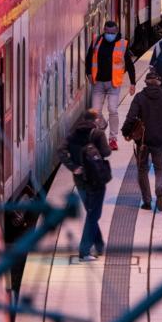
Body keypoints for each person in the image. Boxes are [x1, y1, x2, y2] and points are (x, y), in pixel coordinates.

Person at [121, 70, 162, 212]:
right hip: (161, 139)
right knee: (160, 168)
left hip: (143, 141)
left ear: (146, 83)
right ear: (159, 83)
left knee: (142, 169)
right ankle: (159, 189)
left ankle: (147, 201)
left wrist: (125, 132)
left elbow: (130, 118)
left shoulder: (140, 98)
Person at [57, 109, 112, 262]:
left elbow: (60, 151)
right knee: (94, 215)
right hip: (96, 180)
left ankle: (100, 245)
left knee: (91, 213)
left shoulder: (72, 133)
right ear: (95, 120)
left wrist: (73, 167)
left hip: (80, 180)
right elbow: (107, 152)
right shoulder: (98, 134)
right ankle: (84, 251)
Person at [85, 20, 136, 151]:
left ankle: (113, 139)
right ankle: (102, 126)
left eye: (112, 33)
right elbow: (89, 58)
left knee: (113, 109)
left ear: (116, 32)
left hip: (114, 83)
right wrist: (88, 73)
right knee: (95, 112)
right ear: (104, 30)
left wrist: (133, 83)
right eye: (107, 32)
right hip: (98, 83)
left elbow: (129, 64)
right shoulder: (97, 41)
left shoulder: (122, 44)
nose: (109, 35)